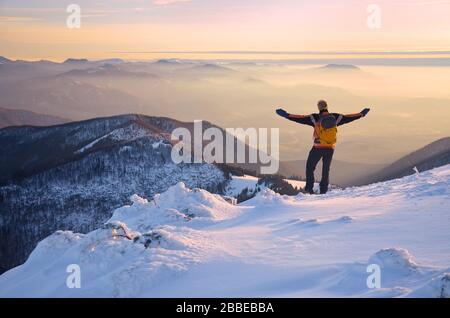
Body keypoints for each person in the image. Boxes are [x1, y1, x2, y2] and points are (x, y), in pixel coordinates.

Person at [276, 100, 370, 194]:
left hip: (318, 147)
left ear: (318, 107)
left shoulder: (314, 118)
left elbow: (300, 118)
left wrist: (286, 115)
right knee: (326, 170)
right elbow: (348, 117)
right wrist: (361, 114)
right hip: (330, 148)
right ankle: (323, 191)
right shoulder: (336, 117)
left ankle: (309, 189)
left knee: (310, 167)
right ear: (327, 107)